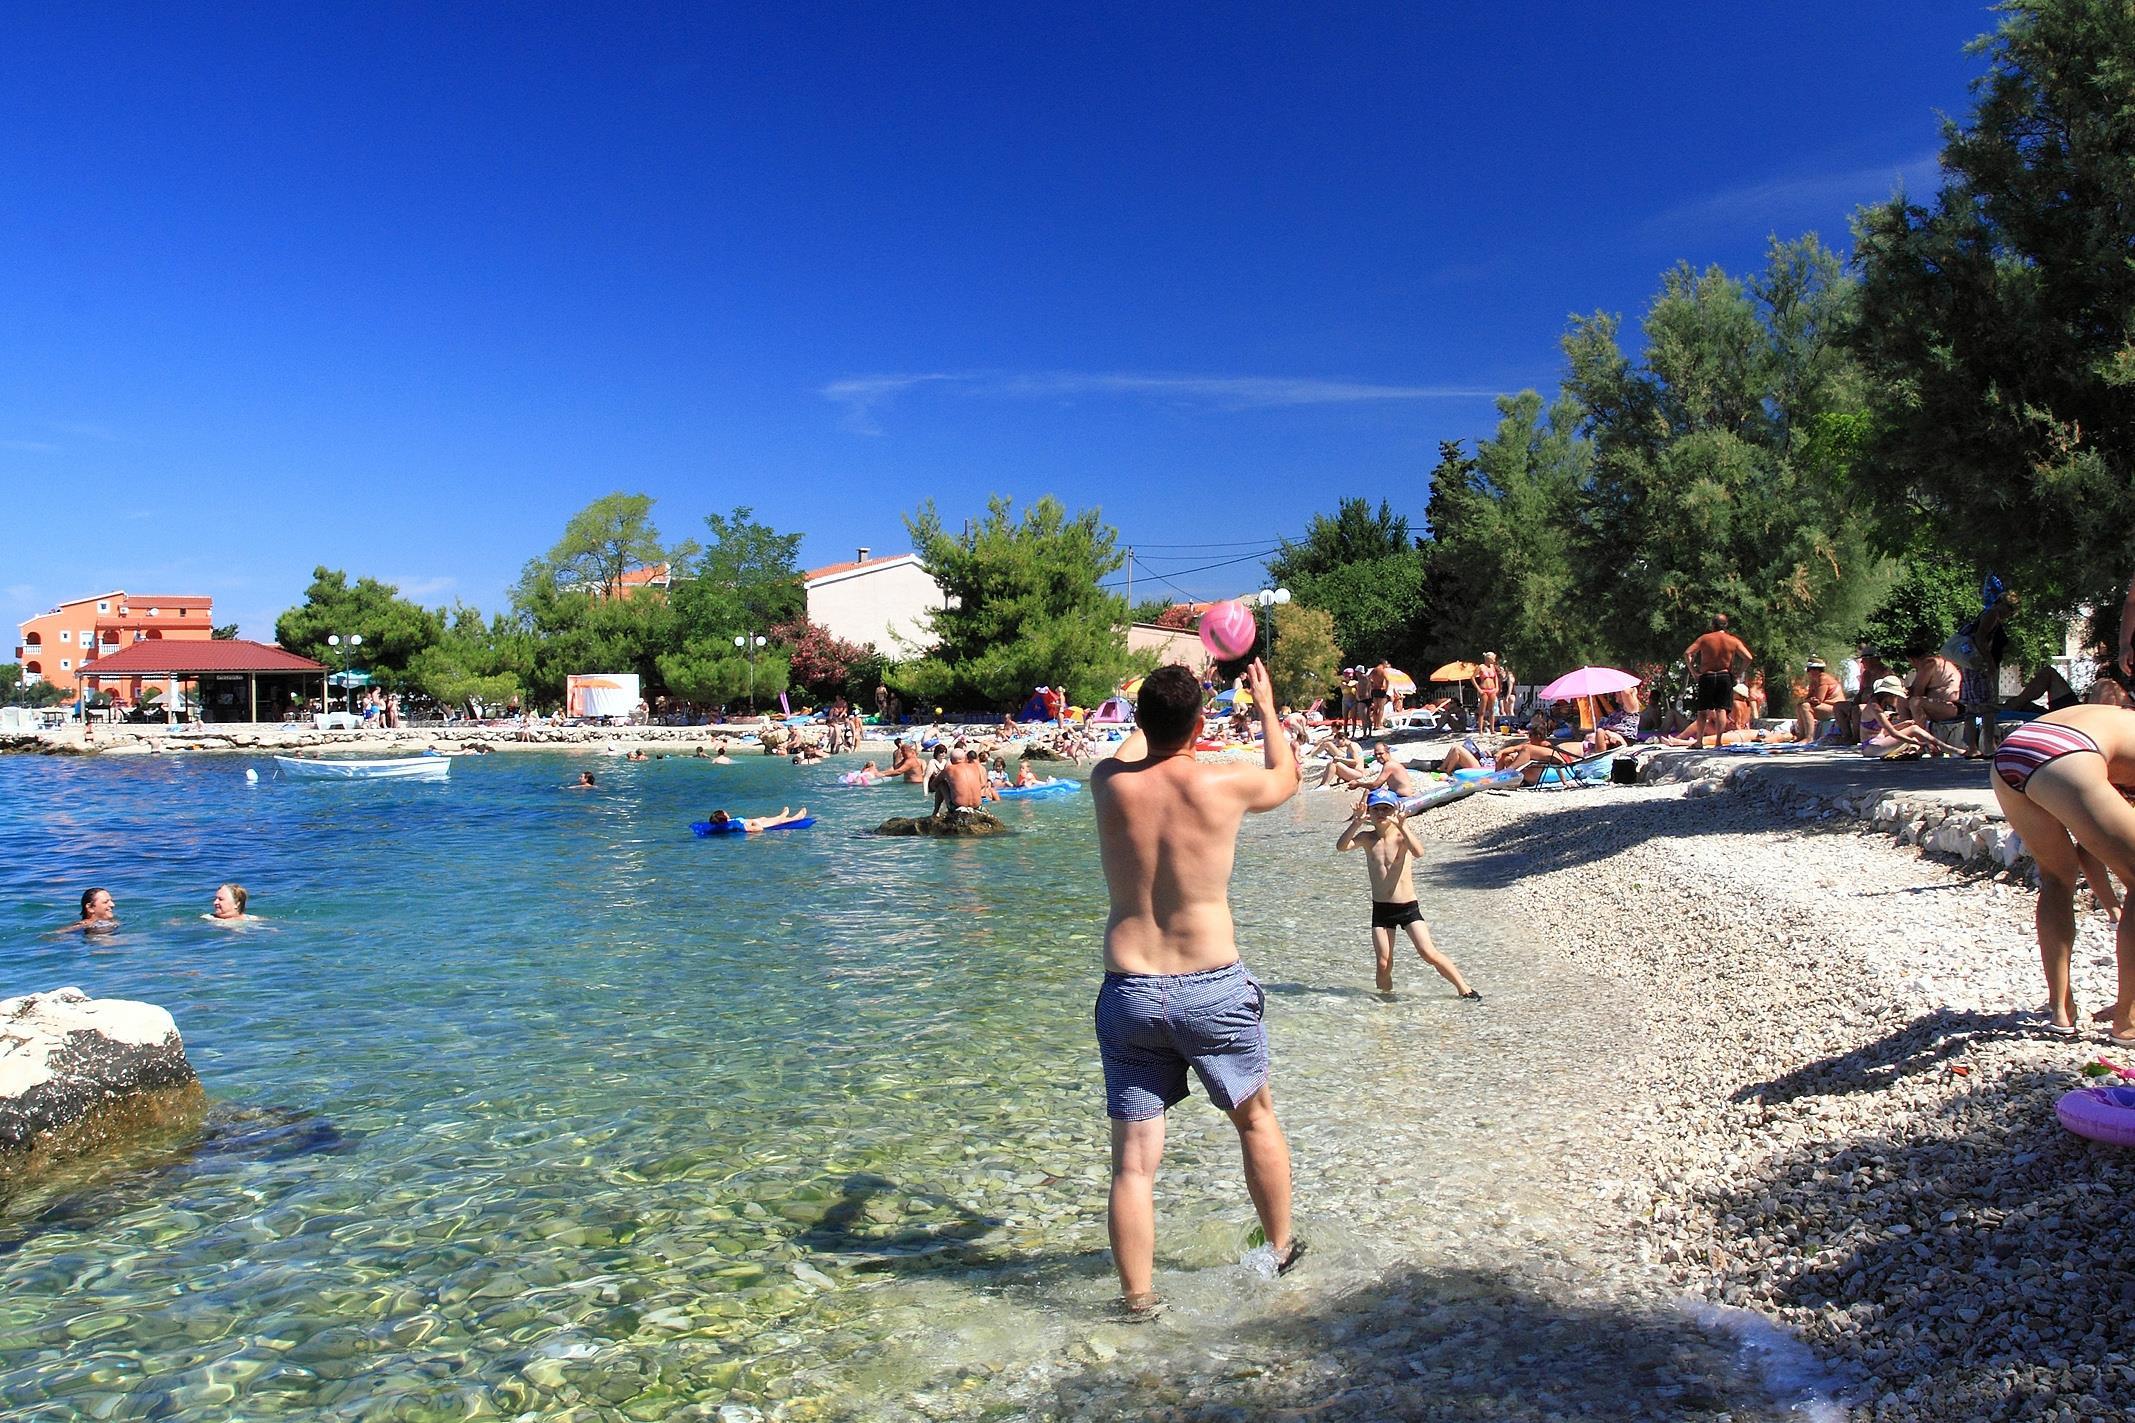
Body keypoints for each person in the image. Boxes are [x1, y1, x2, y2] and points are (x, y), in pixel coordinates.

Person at [1089, 660, 1303, 1317]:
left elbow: (1136, 747)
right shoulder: (1223, 783)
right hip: (1210, 987)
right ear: (1201, 723)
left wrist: (1153, 710)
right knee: (1254, 1119)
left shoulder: (1108, 783)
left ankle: (1138, 1300)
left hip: (1130, 989)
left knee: (1133, 1165)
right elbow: (1286, 777)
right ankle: (1279, 1253)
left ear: (1139, 720)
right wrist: (1265, 706)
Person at [1988, 705, 2135, 1039]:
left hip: (2014, 751)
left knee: (2056, 877)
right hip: (2070, 751)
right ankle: (2128, 1021)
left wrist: (2112, 905)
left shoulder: (2118, 723)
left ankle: (2060, 1011)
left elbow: (2091, 846)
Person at [1336, 790, 1480, 999]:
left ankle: (1464, 988)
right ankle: (1386, 998)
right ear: (1369, 812)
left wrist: (1403, 825)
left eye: (1386, 809)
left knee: (1428, 952)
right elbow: (1341, 847)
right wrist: (1356, 823)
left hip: (1407, 907)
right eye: (1376, 809)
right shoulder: (1367, 838)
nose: (1381, 813)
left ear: (1395, 811)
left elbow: (1419, 852)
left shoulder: (1401, 837)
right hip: (1381, 909)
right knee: (1383, 962)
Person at [1683, 615, 1754, 749]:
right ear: (1726, 625)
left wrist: (1694, 672)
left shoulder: (1705, 639)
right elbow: (1748, 657)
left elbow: (1687, 653)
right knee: (1721, 710)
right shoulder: (1733, 640)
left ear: (1712, 624)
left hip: (1707, 676)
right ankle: (1718, 742)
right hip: (1724, 676)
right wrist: (1738, 673)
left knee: (1702, 710)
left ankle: (1699, 742)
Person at [1858, 677, 1968, 759]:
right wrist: (1919, 743)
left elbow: (1883, 732)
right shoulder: (1875, 707)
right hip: (1871, 747)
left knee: (1912, 728)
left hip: (1879, 743)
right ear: (1889, 695)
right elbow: (1893, 734)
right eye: (1895, 696)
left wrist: (1904, 725)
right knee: (1914, 730)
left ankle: (1916, 752)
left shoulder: (1878, 705)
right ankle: (1949, 749)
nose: (1897, 699)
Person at [1794, 659, 1852, 743]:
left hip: (1834, 708)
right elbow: (1809, 698)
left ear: (1816, 670)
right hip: (1825, 706)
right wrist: (1808, 699)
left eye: (1809, 670)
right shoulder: (1814, 681)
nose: (1808, 673)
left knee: (1805, 706)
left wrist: (1808, 700)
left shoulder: (1823, 679)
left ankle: (1809, 737)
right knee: (1799, 706)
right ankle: (1801, 736)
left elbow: (1818, 699)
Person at [1906, 649, 1963, 728]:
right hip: (1951, 706)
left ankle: (1921, 734)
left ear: (1912, 660)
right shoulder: (1942, 662)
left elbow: (1917, 692)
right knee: (1906, 700)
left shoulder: (1928, 663)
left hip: (1952, 707)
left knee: (1914, 702)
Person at [703, 806, 811, 834]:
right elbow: (759, 829)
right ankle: (791, 816)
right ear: (724, 816)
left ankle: (790, 817)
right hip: (759, 825)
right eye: (725, 812)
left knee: (768, 818)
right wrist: (755, 822)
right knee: (780, 820)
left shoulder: (731, 822)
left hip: (757, 821)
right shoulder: (735, 825)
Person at [1475, 653, 1502, 735]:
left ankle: (1492, 729)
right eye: (1493, 658)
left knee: (1492, 710)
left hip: (1492, 689)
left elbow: (1495, 677)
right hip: (1484, 689)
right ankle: (1480, 730)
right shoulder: (1481, 667)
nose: (1494, 660)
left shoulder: (1492, 667)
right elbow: (1472, 677)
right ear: (1488, 658)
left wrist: (1497, 687)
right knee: (1482, 711)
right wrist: (1478, 689)